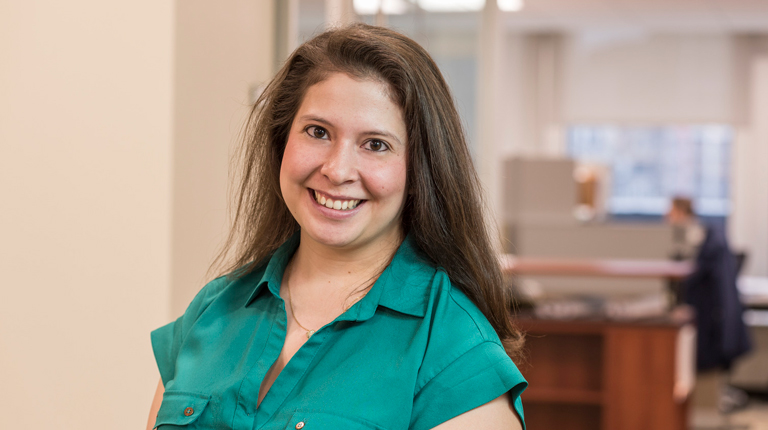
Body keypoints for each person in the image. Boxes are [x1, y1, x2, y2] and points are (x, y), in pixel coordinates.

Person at [146, 23, 527, 430]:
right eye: (318, 132)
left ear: (419, 171)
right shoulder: (213, 310)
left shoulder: (455, 352)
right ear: (282, 142)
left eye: (375, 144)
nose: (338, 169)